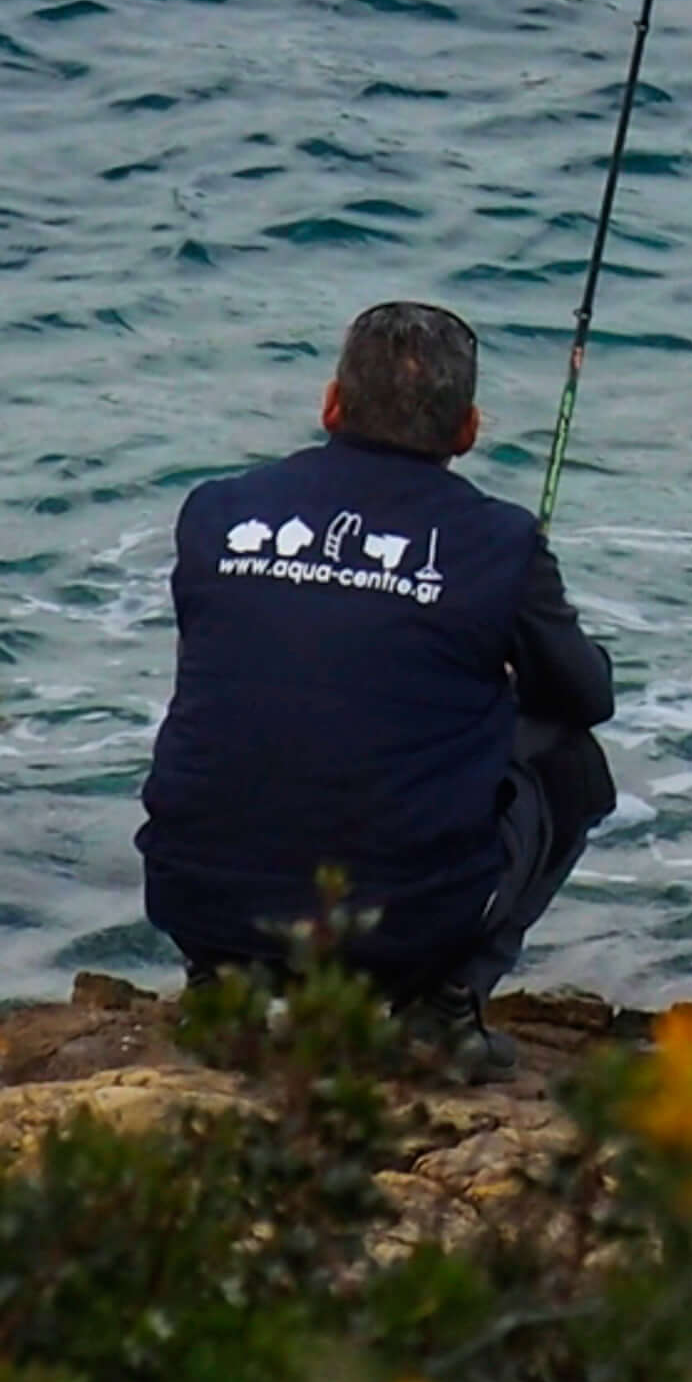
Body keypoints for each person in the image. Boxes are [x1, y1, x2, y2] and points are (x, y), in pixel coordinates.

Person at [138, 299, 616, 1066]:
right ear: (466, 430)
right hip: (400, 934)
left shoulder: (214, 513)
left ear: (331, 403)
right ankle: (447, 1006)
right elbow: (585, 697)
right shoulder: (500, 541)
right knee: (568, 761)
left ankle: (216, 984)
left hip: (197, 901)